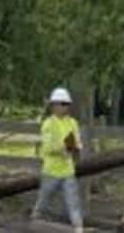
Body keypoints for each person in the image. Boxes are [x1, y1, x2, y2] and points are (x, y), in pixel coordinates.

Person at [32, 87, 83, 229]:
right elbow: (48, 147)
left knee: (73, 204)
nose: (65, 107)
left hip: (68, 171)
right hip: (51, 171)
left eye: (67, 104)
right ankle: (33, 225)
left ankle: (78, 229)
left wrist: (75, 147)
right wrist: (63, 148)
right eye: (62, 104)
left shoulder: (72, 123)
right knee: (43, 203)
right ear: (54, 105)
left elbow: (77, 142)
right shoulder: (48, 124)